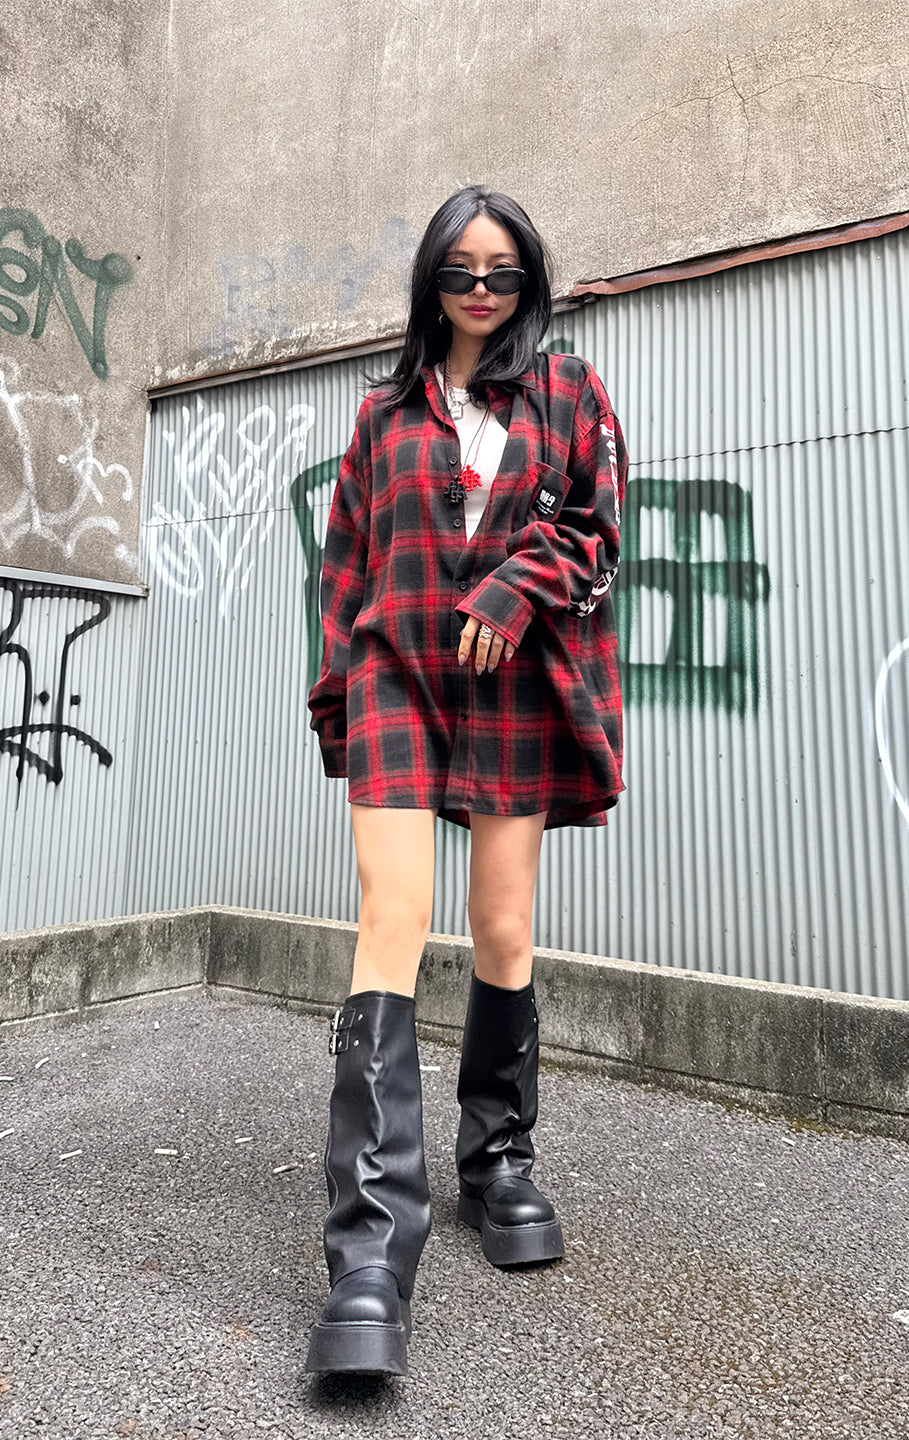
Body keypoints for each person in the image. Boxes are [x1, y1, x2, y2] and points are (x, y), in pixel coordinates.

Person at [304, 184, 628, 1378]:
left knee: (502, 923)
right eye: (460, 272)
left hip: (513, 679)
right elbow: (347, 564)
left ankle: (497, 1164)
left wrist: (515, 585)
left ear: (527, 281)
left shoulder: (570, 391)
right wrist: (339, 694)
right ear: (431, 282)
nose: (481, 292)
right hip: (398, 670)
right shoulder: (382, 414)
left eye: (502, 273)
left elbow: (596, 527)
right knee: (391, 916)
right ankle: (369, 1251)